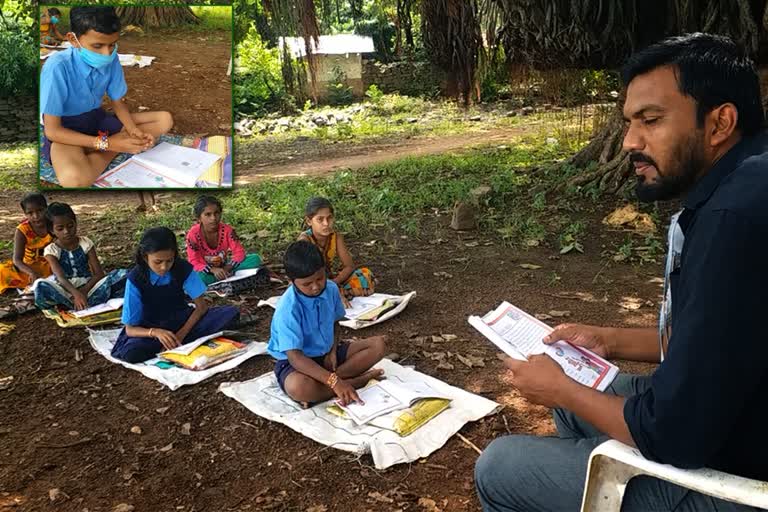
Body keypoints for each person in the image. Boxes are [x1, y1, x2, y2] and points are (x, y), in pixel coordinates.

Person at [475, 33, 768, 512]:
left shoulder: (731, 221)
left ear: (720, 122)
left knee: (500, 468)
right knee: (579, 407)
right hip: (737, 410)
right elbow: (724, 341)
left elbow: (675, 436)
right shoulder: (748, 179)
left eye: (651, 121)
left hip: (741, 473)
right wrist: (608, 340)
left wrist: (560, 388)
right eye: (629, 122)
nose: (631, 141)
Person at [40, 6, 173, 187]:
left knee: (164, 120)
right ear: (73, 39)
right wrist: (110, 144)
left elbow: (117, 102)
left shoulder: (112, 58)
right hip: (67, 130)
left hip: (96, 120)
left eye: (112, 44)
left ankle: (108, 146)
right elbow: (53, 131)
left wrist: (133, 130)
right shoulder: (57, 67)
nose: (107, 53)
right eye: (97, 46)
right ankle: (113, 147)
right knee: (75, 180)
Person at [268, 240, 385, 407]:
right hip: (298, 363)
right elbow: (295, 357)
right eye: (307, 284)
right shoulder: (288, 308)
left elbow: (335, 323)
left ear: (325, 271)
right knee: (298, 387)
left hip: (326, 355)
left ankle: (325, 387)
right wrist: (334, 380)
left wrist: (332, 351)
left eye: (320, 278)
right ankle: (355, 382)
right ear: (292, 281)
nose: (316, 287)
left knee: (378, 345)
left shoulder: (330, 289)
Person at [111, 226, 240, 363]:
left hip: (181, 320)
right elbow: (130, 329)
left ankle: (175, 343)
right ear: (145, 257)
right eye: (158, 262)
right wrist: (155, 332)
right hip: (150, 327)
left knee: (230, 313)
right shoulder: (135, 279)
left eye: (169, 261)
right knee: (132, 353)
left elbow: (201, 307)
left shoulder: (183, 268)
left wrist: (181, 335)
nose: (164, 267)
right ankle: (175, 343)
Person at [34, 202, 126, 310]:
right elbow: (61, 278)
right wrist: (76, 294)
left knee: (124, 274)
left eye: (70, 226)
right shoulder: (51, 250)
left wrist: (83, 292)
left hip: (89, 288)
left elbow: (98, 274)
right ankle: (71, 303)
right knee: (40, 285)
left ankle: (81, 303)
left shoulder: (85, 243)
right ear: (51, 230)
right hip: (66, 291)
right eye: (60, 229)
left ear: (75, 223)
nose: (67, 231)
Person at [298, 197, 375, 307]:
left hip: (329, 280)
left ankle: (334, 295)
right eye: (320, 219)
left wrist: (334, 283)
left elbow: (349, 266)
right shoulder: (304, 240)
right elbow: (307, 274)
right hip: (313, 283)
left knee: (365, 275)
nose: (326, 223)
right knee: (306, 291)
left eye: (329, 218)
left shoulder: (336, 237)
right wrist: (330, 287)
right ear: (309, 221)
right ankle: (335, 296)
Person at [185, 195, 262, 285]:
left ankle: (223, 275)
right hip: (205, 271)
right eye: (208, 214)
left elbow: (239, 252)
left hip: (225, 266)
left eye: (216, 213)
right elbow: (193, 261)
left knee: (255, 259)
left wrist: (226, 268)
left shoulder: (227, 230)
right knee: (198, 277)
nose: (213, 218)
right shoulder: (193, 234)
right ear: (199, 218)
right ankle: (226, 276)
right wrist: (213, 270)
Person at [0, 193, 53, 295]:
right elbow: (17, 259)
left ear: (46, 209)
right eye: (30, 213)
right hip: (29, 267)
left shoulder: (53, 224)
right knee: (2, 270)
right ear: (25, 214)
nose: (36, 216)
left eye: (40, 210)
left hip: (52, 266)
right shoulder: (23, 230)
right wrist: (31, 272)